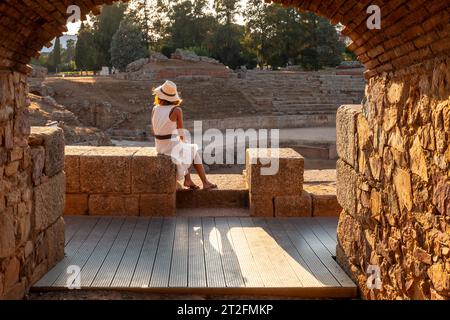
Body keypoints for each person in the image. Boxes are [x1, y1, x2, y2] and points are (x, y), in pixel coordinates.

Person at [151, 80, 217, 190]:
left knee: (186, 148)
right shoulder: (176, 110)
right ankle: (205, 182)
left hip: (159, 146)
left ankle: (188, 180)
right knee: (193, 150)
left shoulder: (155, 109)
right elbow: (181, 134)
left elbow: (154, 130)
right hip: (170, 147)